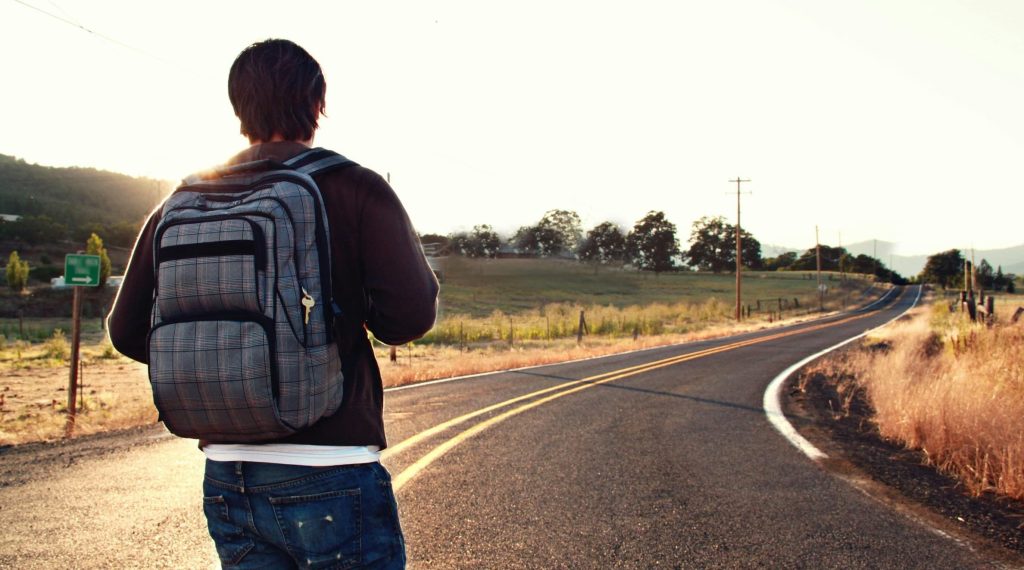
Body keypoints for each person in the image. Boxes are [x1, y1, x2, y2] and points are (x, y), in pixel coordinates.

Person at [108, 38, 438, 569]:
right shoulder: (354, 186)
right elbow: (409, 317)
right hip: (331, 464)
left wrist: (225, 366)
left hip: (226, 472)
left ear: (239, 109)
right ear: (317, 105)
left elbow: (127, 331)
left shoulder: (186, 197)